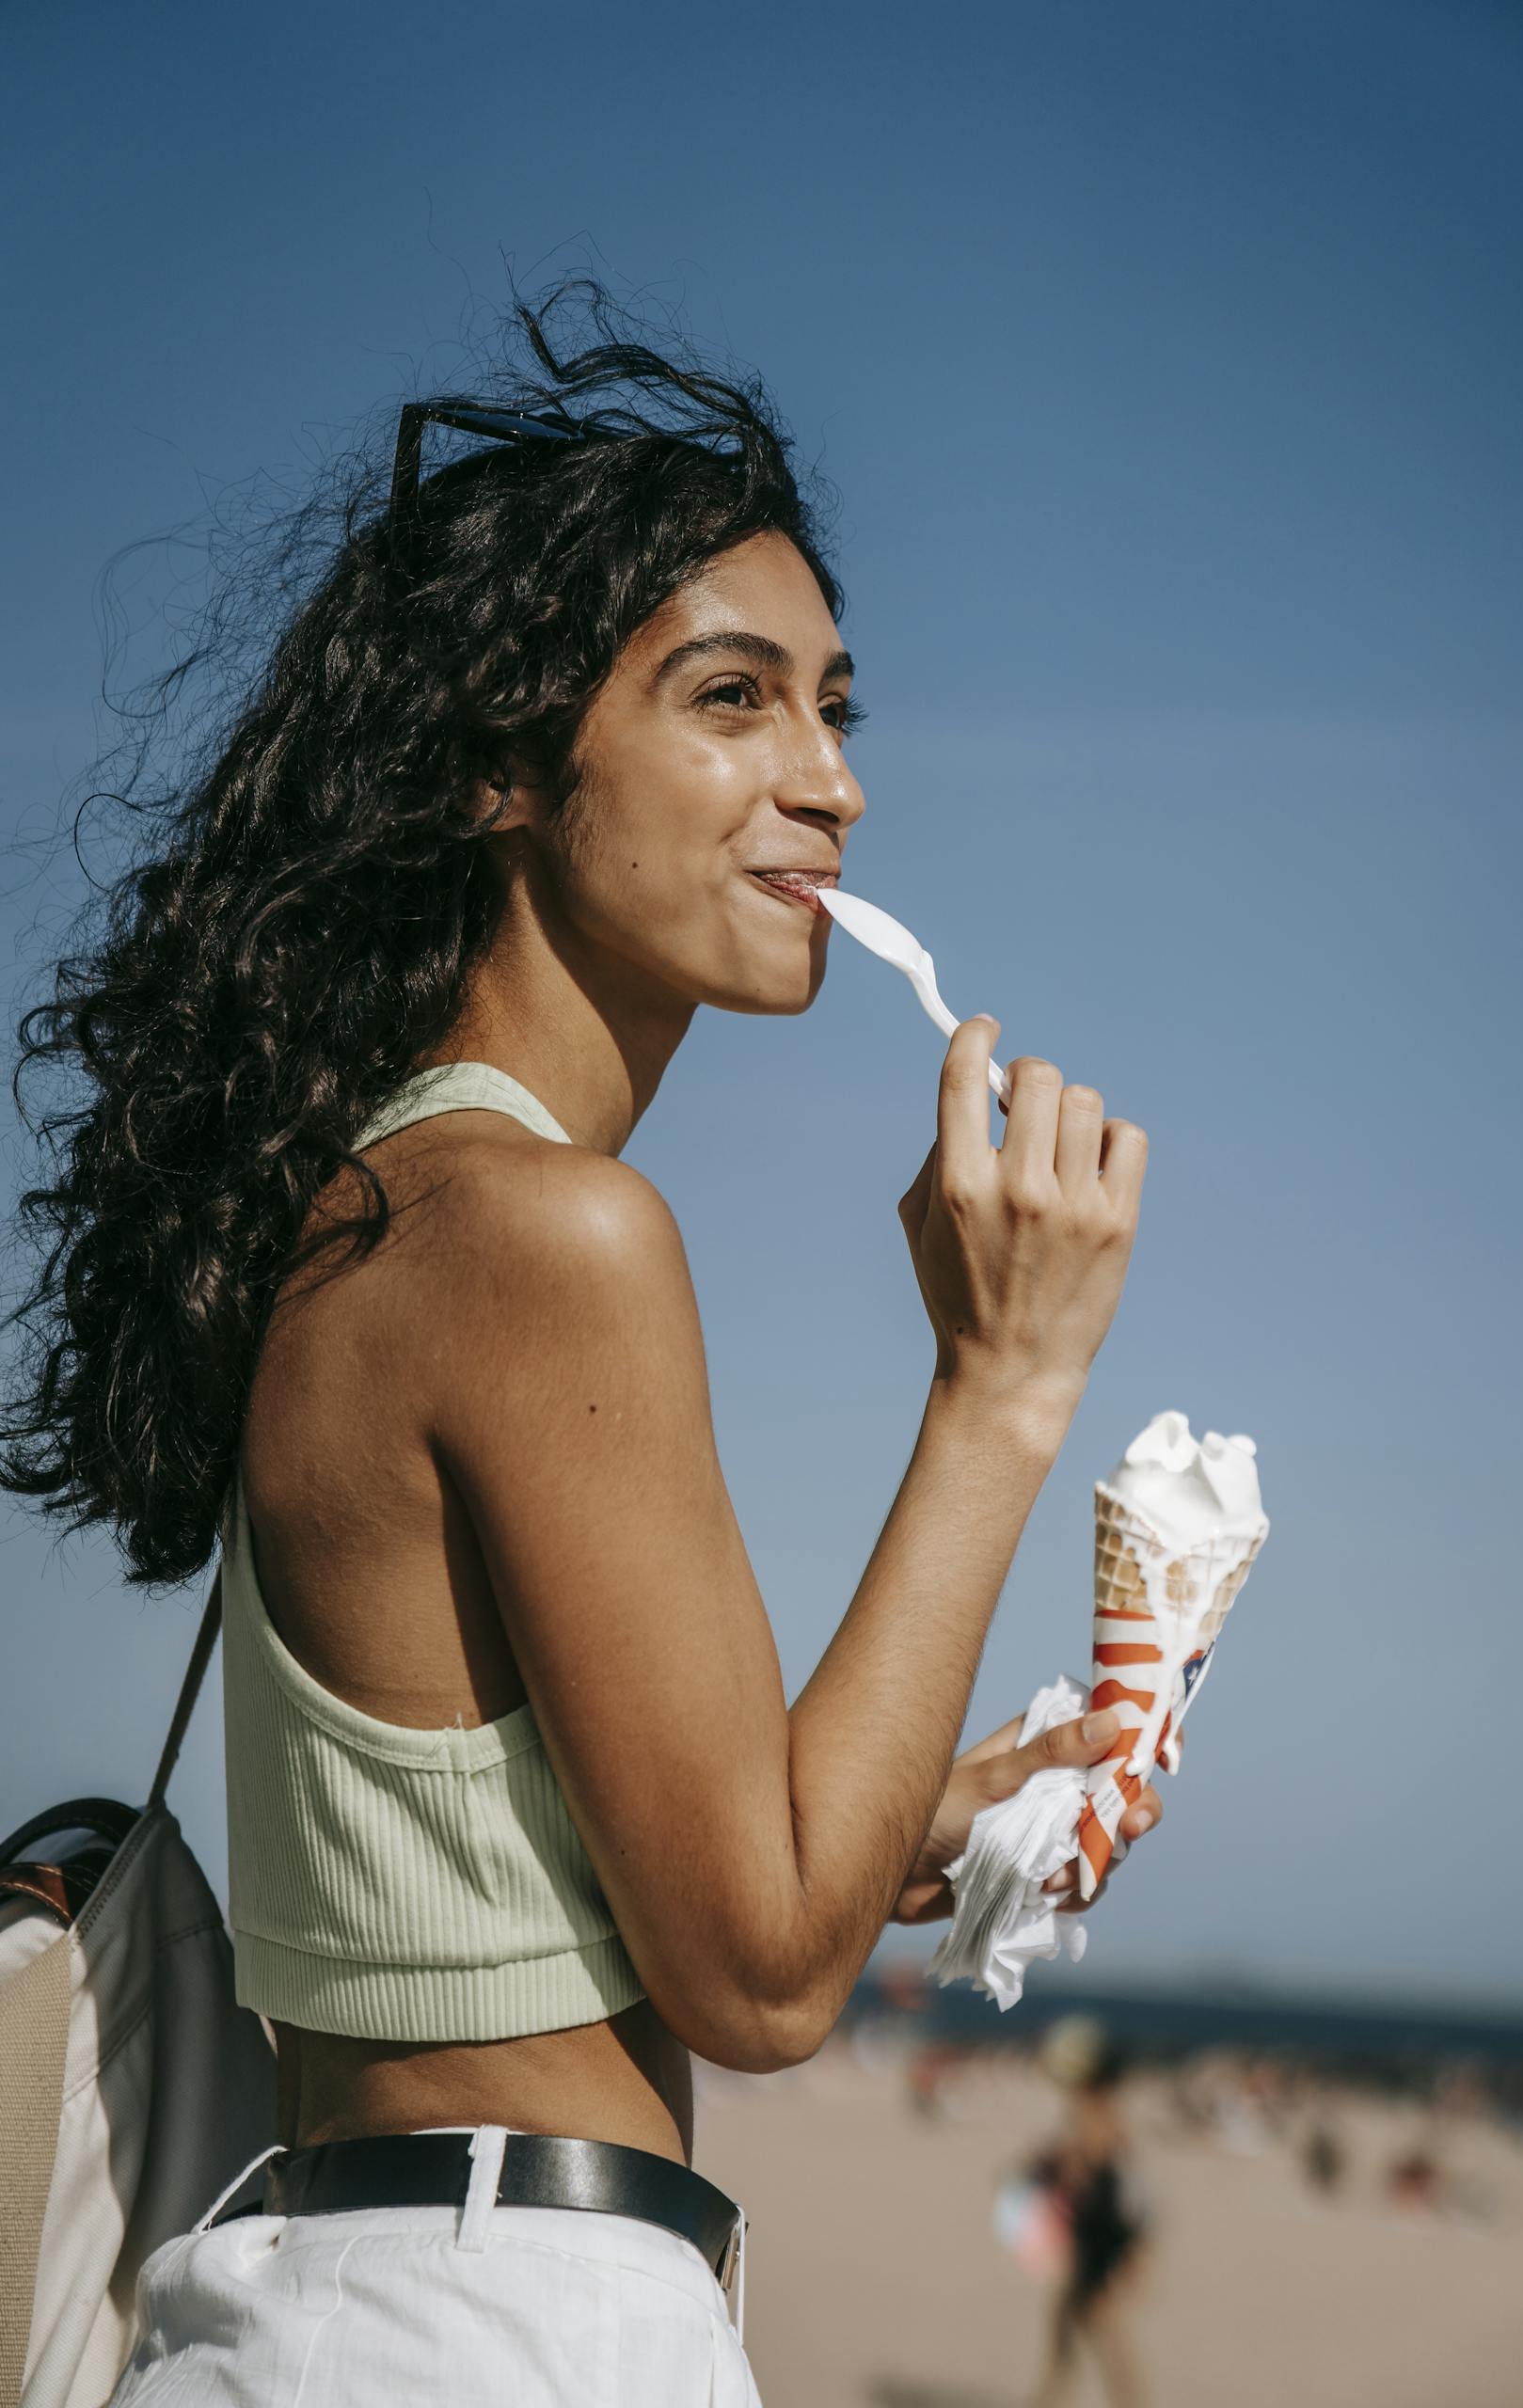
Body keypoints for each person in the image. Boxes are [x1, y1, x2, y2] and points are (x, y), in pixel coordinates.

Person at [2, 285, 1156, 2405]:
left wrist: (885, 1809)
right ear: (498, 773)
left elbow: (593, 1878)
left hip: (335, 2300)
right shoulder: (548, 1229)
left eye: (836, 705)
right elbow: (757, 1973)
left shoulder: (381, 1205)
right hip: (496, 2318)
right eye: (733, 700)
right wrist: (1003, 1384)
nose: (832, 783)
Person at [1028, 2020, 1151, 2408]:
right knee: (1075, 2328)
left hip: (1100, 2238)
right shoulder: (1110, 2111)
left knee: (1092, 2331)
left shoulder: (1094, 2113)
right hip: (1104, 2236)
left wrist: (1049, 2166)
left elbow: (1085, 2169)